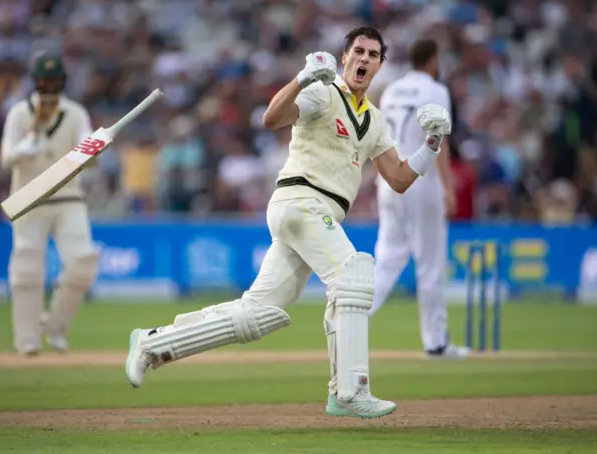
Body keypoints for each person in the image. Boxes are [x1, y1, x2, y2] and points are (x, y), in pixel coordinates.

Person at [124, 27, 451, 419]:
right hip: (301, 200)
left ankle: (153, 344)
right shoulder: (323, 91)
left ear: (381, 65)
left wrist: (431, 144)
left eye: (373, 54)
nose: (364, 59)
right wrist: (301, 77)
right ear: (344, 56)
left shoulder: (376, 120)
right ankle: (349, 391)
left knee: (257, 314)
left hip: (316, 214)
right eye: (358, 52)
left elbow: (398, 179)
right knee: (353, 276)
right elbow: (271, 118)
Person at [369, 39, 469, 359]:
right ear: (433, 59)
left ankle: (349, 318)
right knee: (430, 264)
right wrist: (449, 188)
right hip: (421, 180)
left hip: (389, 180)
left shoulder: (390, 90)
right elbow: (439, 141)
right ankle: (436, 342)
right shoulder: (435, 90)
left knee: (386, 259)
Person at [0, 52, 99, 356]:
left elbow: (88, 153)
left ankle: (54, 326)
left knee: (83, 261)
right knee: (27, 266)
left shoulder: (76, 113)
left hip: (69, 198)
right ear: (36, 80)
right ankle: (26, 338)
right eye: (45, 79)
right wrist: (23, 151)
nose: (49, 85)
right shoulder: (19, 113)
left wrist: (92, 150)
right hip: (30, 198)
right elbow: (6, 159)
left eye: (55, 80)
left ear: (63, 81)